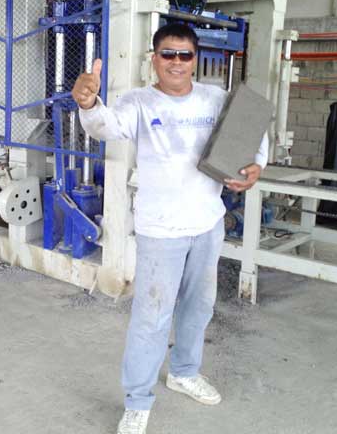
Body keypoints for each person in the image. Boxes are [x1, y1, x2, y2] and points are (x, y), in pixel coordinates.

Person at [72, 23, 268, 434]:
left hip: (207, 223)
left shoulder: (215, 98)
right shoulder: (138, 102)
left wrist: (255, 167)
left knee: (199, 306)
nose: (176, 63)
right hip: (161, 229)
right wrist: (88, 104)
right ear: (154, 58)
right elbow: (105, 126)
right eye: (168, 54)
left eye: (185, 55)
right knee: (152, 317)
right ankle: (137, 400)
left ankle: (184, 372)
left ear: (195, 59)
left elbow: (253, 134)